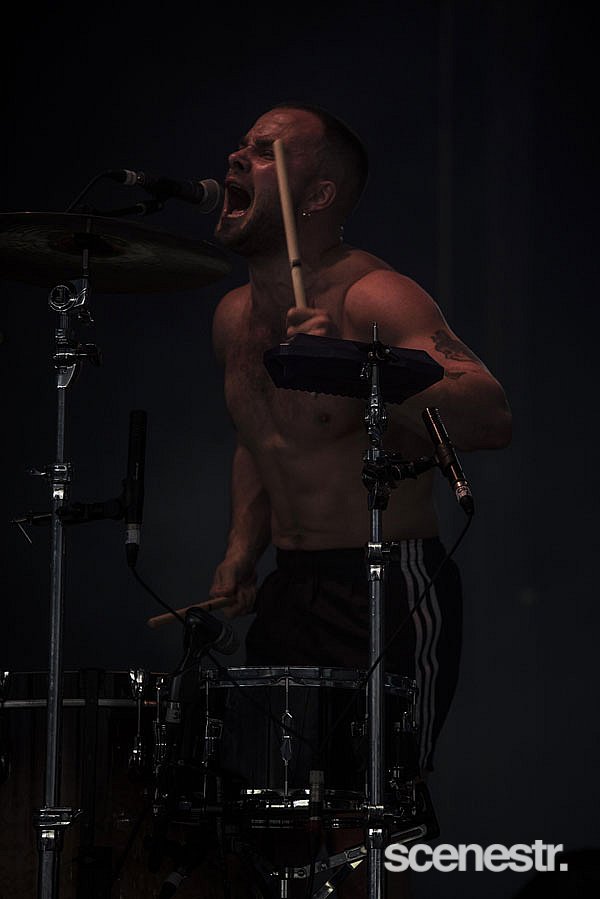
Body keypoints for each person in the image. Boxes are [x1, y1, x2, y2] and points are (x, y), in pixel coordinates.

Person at [205, 101, 512, 897]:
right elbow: (260, 438)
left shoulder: (373, 295)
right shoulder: (234, 317)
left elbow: (490, 413)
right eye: (241, 145)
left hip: (385, 586)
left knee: (366, 825)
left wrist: (353, 366)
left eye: (264, 151)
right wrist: (241, 551)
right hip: (292, 589)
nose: (236, 158)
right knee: (273, 822)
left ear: (317, 196)